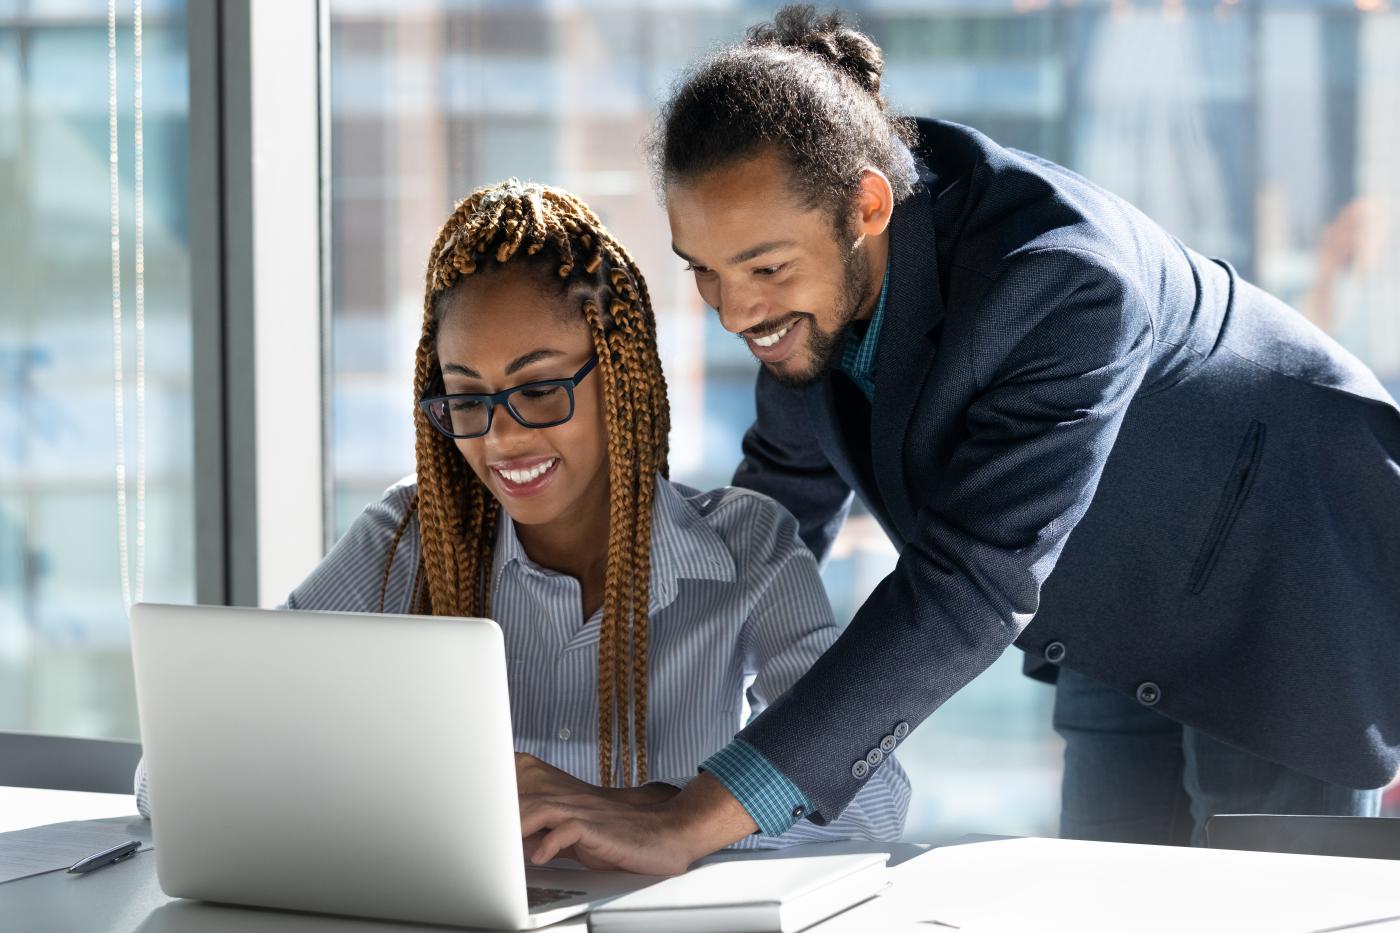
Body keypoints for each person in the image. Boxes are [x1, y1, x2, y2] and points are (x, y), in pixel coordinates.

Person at [518, 6, 1400, 872]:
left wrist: (694, 818)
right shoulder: (810, 278)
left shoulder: (1059, 277)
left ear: (865, 205)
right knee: (1110, 897)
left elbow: (965, 585)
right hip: (1117, 602)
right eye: (703, 270)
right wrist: (636, 757)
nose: (735, 310)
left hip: (1288, 577)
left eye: (763, 268)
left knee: (1262, 903)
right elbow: (770, 511)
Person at [134, 179, 909, 847]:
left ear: (620, 377)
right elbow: (175, 768)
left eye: (539, 388)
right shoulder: (403, 538)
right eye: (468, 397)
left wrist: (659, 813)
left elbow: (873, 800)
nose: (502, 436)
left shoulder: (748, 546)